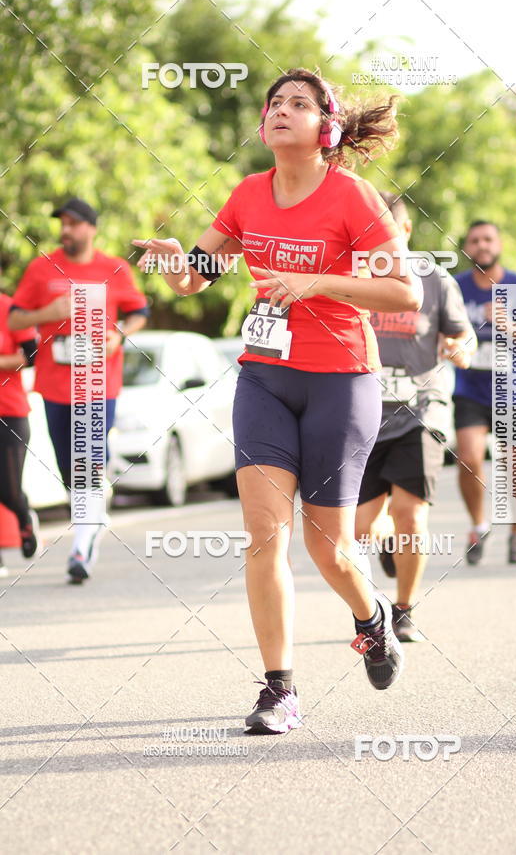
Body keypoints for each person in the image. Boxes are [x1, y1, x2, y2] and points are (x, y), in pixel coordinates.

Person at [134, 68, 423, 734]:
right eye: (275, 103)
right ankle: (279, 690)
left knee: (331, 551)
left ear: (326, 128)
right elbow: (192, 279)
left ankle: (372, 620)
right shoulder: (246, 195)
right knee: (265, 538)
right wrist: (175, 261)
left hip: (341, 382)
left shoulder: (353, 198)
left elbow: (404, 293)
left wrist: (315, 281)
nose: (282, 111)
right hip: (265, 378)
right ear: (263, 124)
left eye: (300, 103)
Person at [8, 197, 149, 583]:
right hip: (55, 387)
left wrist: (118, 335)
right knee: (69, 469)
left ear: (91, 227)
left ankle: (82, 544)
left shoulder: (114, 269)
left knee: (87, 463)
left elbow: (140, 311)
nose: (65, 230)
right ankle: (92, 517)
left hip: (99, 385)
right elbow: (16, 316)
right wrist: (47, 314)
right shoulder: (41, 268)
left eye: (73, 223)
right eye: (62, 224)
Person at [355, 194, 475, 641]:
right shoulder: (352, 277)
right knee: (359, 531)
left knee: (410, 514)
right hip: (363, 415)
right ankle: (388, 542)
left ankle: (403, 610)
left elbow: (463, 337)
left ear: (404, 233)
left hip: (422, 411)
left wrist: (461, 349)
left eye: (385, 232)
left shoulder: (435, 280)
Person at [453, 220, 516, 565]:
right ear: (467, 247)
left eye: (488, 239)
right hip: (471, 387)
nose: (482, 245)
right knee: (469, 457)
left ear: (499, 243)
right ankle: (478, 525)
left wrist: (509, 326)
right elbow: (443, 329)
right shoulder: (458, 287)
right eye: (475, 240)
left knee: (514, 468)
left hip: (512, 389)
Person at [0, 290, 39, 576]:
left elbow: (31, 355)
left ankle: (24, 517)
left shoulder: (11, 309)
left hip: (9, 412)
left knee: (9, 490)